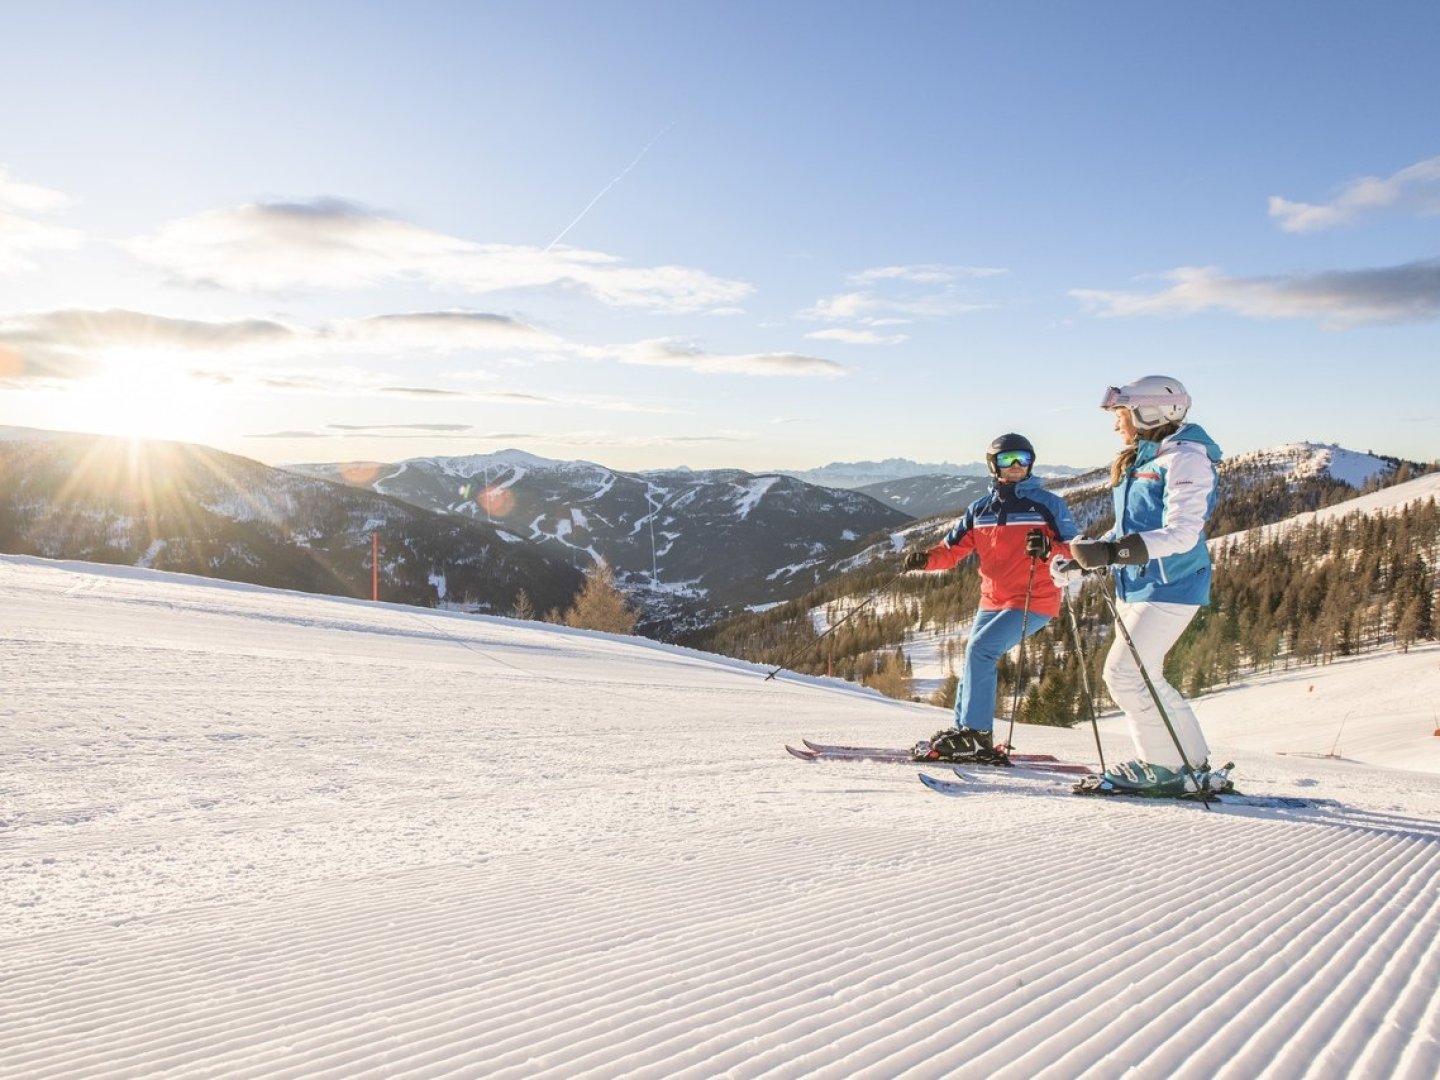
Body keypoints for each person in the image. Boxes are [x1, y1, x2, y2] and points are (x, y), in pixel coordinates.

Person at [1066, 375, 1225, 795]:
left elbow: (1183, 533)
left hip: (1172, 584)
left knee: (1123, 676)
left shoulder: (1186, 459)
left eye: (1121, 414)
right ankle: (1191, 764)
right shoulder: (1144, 459)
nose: (1117, 424)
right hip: (1139, 585)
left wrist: (1114, 554)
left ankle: (1163, 767)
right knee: (1146, 676)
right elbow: (1128, 527)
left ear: (1148, 412)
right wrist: (1086, 557)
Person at [901, 433, 1079, 764]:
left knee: (982, 650)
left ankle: (977, 737)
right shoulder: (980, 510)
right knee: (974, 658)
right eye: (1007, 460)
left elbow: (1076, 549)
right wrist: (925, 559)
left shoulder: (1048, 505)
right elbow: (952, 551)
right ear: (992, 465)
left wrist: (1049, 548)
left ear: (1031, 464)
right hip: (992, 599)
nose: (1014, 467)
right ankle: (964, 731)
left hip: (1033, 598)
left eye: (1022, 460)